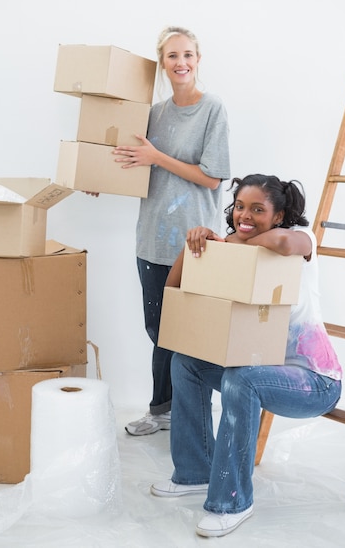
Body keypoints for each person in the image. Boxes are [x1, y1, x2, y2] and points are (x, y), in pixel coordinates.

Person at [150, 173, 343, 538]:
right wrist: (195, 246)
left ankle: (232, 501)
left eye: (258, 209)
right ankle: (194, 472)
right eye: (240, 206)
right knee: (186, 363)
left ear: (280, 214)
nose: (246, 215)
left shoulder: (303, 242)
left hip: (315, 381)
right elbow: (174, 288)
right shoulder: (233, 250)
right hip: (263, 369)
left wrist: (234, 241)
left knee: (242, 378)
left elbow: (285, 242)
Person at [113, 26, 231, 436]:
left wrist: (157, 156)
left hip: (194, 241)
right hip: (151, 238)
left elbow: (213, 178)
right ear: (161, 64)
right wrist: (101, 176)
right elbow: (137, 162)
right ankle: (162, 411)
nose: (180, 63)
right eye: (171, 56)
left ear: (198, 60)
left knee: (189, 334)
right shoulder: (155, 112)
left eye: (187, 55)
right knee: (159, 331)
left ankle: (187, 416)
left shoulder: (212, 109)